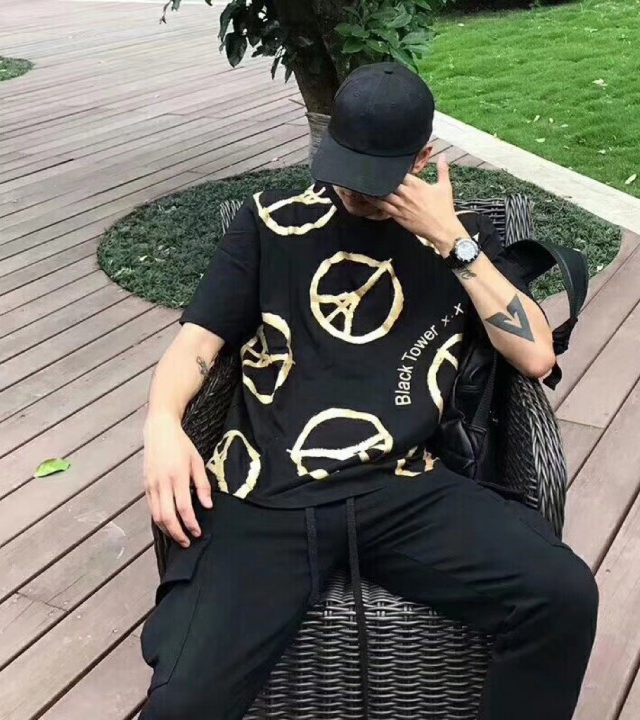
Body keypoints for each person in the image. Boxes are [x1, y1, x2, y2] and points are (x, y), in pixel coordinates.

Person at [139, 62, 598, 720]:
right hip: (266, 490)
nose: (354, 190)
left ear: (422, 160)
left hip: (404, 486)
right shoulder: (270, 223)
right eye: (344, 168)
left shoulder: (459, 241)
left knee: (563, 595)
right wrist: (162, 422)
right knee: (181, 705)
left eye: (375, 176)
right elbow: (197, 345)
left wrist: (452, 240)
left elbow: (535, 355)